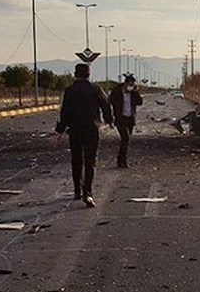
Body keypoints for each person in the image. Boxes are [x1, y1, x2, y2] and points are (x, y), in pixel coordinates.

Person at [54, 63, 113, 207]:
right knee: (90, 161)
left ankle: (76, 191)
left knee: (76, 160)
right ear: (88, 74)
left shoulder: (70, 90)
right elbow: (106, 105)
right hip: (92, 129)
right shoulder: (96, 89)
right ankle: (88, 192)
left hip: (75, 130)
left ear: (75, 74)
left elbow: (65, 111)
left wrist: (61, 129)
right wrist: (109, 120)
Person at [109, 74, 143, 168]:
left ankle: (121, 160)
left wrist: (136, 92)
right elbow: (110, 100)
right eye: (130, 84)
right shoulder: (117, 91)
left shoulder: (133, 93)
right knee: (125, 138)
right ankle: (122, 161)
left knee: (126, 141)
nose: (131, 86)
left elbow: (140, 102)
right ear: (125, 83)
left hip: (130, 119)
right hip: (121, 119)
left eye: (133, 84)